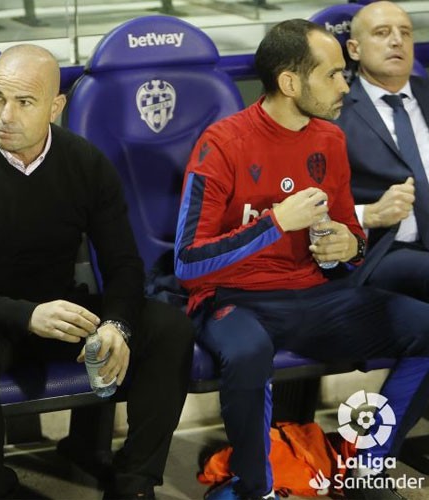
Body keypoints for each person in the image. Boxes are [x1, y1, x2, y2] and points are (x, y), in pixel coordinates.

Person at [0, 44, 194, 500]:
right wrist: (29, 315)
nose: (4, 115)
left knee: (169, 328)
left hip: (60, 309)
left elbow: (124, 264)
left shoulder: (85, 163)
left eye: (23, 102)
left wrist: (117, 325)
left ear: (55, 106)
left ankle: (135, 482)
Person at [175, 19, 429, 500]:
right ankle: (257, 489)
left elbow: (350, 240)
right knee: (248, 353)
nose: (344, 84)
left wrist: (347, 247)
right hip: (235, 298)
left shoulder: (329, 139)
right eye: (332, 74)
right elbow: (188, 261)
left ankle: (365, 467)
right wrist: (273, 223)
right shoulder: (222, 143)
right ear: (290, 83)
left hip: (316, 294)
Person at [334, 1, 429, 301]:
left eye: (405, 32)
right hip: (385, 248)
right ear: (354, 49)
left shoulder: (426, 95)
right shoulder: (335, 114)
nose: (397, 40)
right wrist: (369, 214)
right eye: (382, 32)